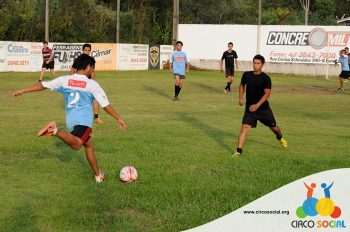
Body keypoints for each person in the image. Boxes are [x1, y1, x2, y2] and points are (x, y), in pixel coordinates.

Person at [13, 54, 127, 183]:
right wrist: (119, 118)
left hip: (71, 121)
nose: (93, 71)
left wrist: (23, 90)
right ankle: (54, 130)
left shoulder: (65, 80)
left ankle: (98, 175)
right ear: (88, 67)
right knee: (78, 144)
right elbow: (105, 105)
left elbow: (44, 85)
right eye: (93, 68)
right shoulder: (92, 85)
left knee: (88, 144)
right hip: (84, 122)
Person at [233, 54, 288, 158]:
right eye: (254, 63)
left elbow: (267, 94)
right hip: (250, 109)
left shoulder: (266, 78)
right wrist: (240, 98)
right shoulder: (246, 75)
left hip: (263, 109)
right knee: (245, 127)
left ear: (262, 65)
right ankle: (238, 151)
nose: (255, 65)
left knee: (274, 128)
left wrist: (257, 105)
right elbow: (241, 85)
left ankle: (280, 137)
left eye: (258, 63)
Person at [70, 43, 103, 124]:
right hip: (79, 83)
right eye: (85, 50)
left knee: (95, 98)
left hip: (88, 83)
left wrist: (93, 82)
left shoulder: (91, 60)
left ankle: (96, 117)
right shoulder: (78, 59)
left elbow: (92, 72)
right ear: (83, 50)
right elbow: (72, 70)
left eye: (88, 50)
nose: (87, 52)